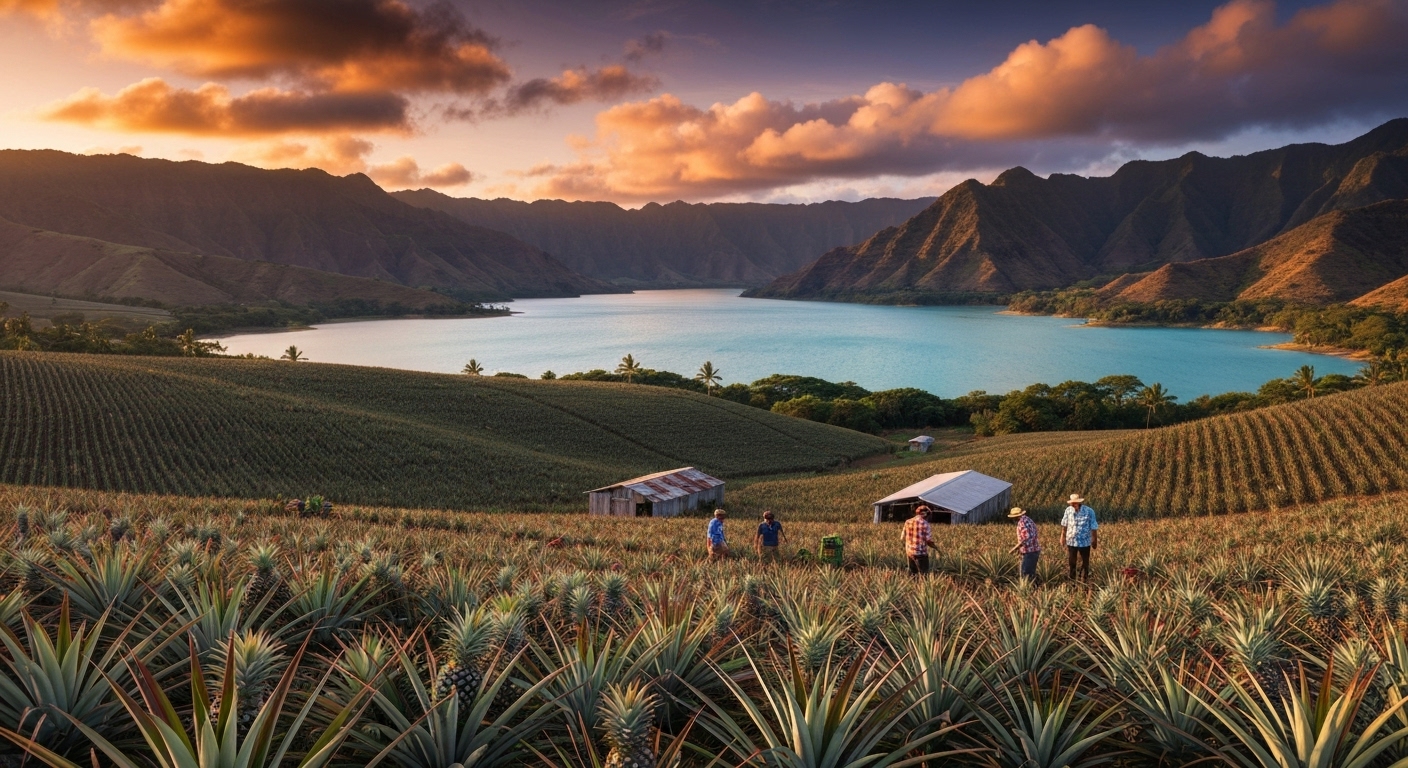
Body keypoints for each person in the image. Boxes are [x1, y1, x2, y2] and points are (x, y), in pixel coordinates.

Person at [1059, 493, 1099, 581]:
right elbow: (1064, 525)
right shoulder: (1068, 510)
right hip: (1071, 541)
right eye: (1071, 503)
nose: (1073, 505)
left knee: (1085, 562)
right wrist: (1062, 537)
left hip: (1084, 541)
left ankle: (1084, 580)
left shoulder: (1089, 511)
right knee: (1072, 562)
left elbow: (1094, 527)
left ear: (1079, 503)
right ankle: (1072, 581)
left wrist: (1094, 540)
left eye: (1075, 503)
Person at [1007, 507, 1040, 582]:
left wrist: (1014, 549)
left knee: (1025, 574)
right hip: (1035, 549)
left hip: (1029, 552)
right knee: (1030, 573)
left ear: (1015, 517)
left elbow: (1025, 539)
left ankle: (1028, 590)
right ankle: (1033, 589)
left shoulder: (1022, 523)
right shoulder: (1028, 519)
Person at [902, 505, 935, 576]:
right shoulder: (926, 524)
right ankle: (922, 586)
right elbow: (928, 540)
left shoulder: (907, 522)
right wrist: (935, 546)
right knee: (923, 574)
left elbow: (902, 537)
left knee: (913, 573)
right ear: (926, 514)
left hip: (910, 552)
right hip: (921, 553)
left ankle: (914, 586)